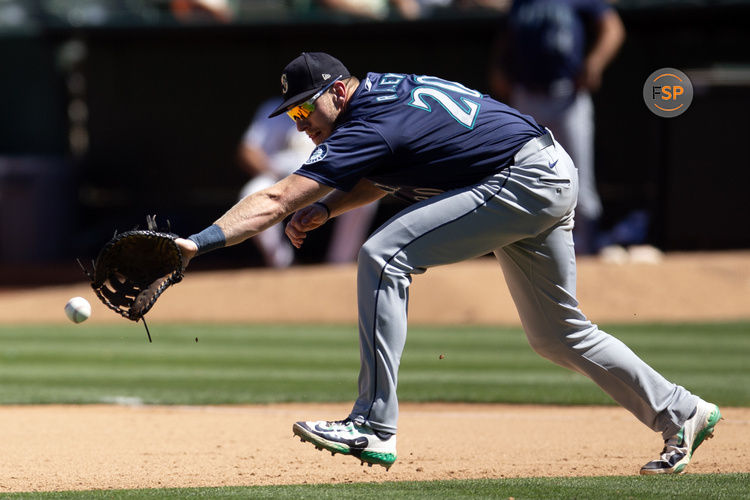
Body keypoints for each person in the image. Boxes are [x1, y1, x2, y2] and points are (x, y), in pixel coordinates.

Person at [176, 52, 720, 473]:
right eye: (291, 113)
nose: (299, 122)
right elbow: (381, 176)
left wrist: (196, 244)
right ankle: (681, 411)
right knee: (558, 335)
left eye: (305, 107)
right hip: (544, 169)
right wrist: (328, 206)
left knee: (383, 256)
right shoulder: (384, 94)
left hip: (521, 179)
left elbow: (275, 199)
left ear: (339, 91)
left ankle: (372, 424)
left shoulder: (369, 122)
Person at [488, 0, 625, 254]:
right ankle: (526, 248)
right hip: (526, 95)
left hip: (567, 95)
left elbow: (613, 27)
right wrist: (498, 66)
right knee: (524, 175)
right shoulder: (521, 3)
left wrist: (595, 62)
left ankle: (587, 248)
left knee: (580, 176)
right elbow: (507, 36)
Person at [237, 97, 378, 267]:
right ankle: (282, 264)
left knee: (363, 191)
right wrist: (275, 175)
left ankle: (340, 263)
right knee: (252, 192)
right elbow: (248, 151)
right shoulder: (273, 109)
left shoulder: (328, 106)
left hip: (326, 178)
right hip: (284, 176)